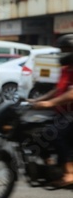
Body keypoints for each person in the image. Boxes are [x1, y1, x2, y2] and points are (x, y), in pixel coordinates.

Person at [30, 34, 73, 185]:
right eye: (61, 50)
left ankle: (69, 172)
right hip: (62, 113)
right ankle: (49, 164)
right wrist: (38, 100)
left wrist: (50, 103)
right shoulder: (66, 69)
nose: (63, 54)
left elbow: (71, 93)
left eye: (66, 50)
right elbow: (57, 89)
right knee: (37, 131)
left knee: (55, 133)